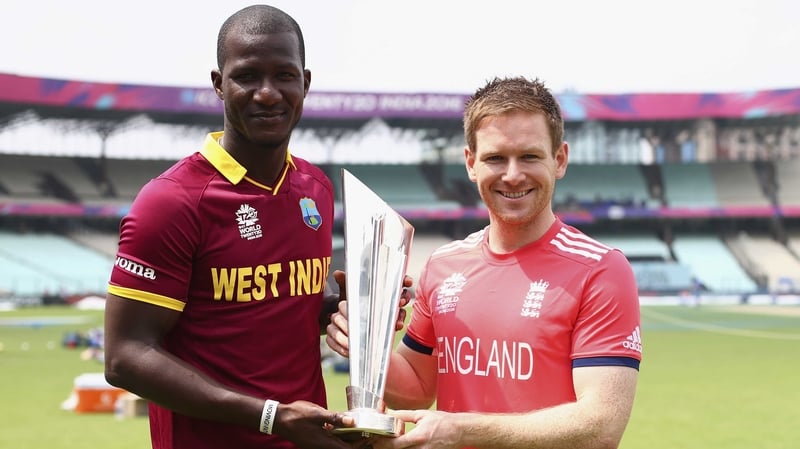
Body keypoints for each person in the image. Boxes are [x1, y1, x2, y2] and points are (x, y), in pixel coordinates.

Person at [327, 76, 643, 449]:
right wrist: (365, 340)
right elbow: (415, 389)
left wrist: (463, 430)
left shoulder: (600, 270)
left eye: (529, 156)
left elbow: (600, 428)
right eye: (495, 158)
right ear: (471, 163)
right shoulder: (443, 265)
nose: (512, 175)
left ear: (559, 160)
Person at [104, 5, 357, 449]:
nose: (267, 93)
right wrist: (271, 418)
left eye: (284, 75)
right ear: (219, 85)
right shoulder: (172, 201)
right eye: (247, 76)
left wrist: (352, 310)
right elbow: (125, 356)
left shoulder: (315, 188)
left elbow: (274, 312)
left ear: (306, 83)